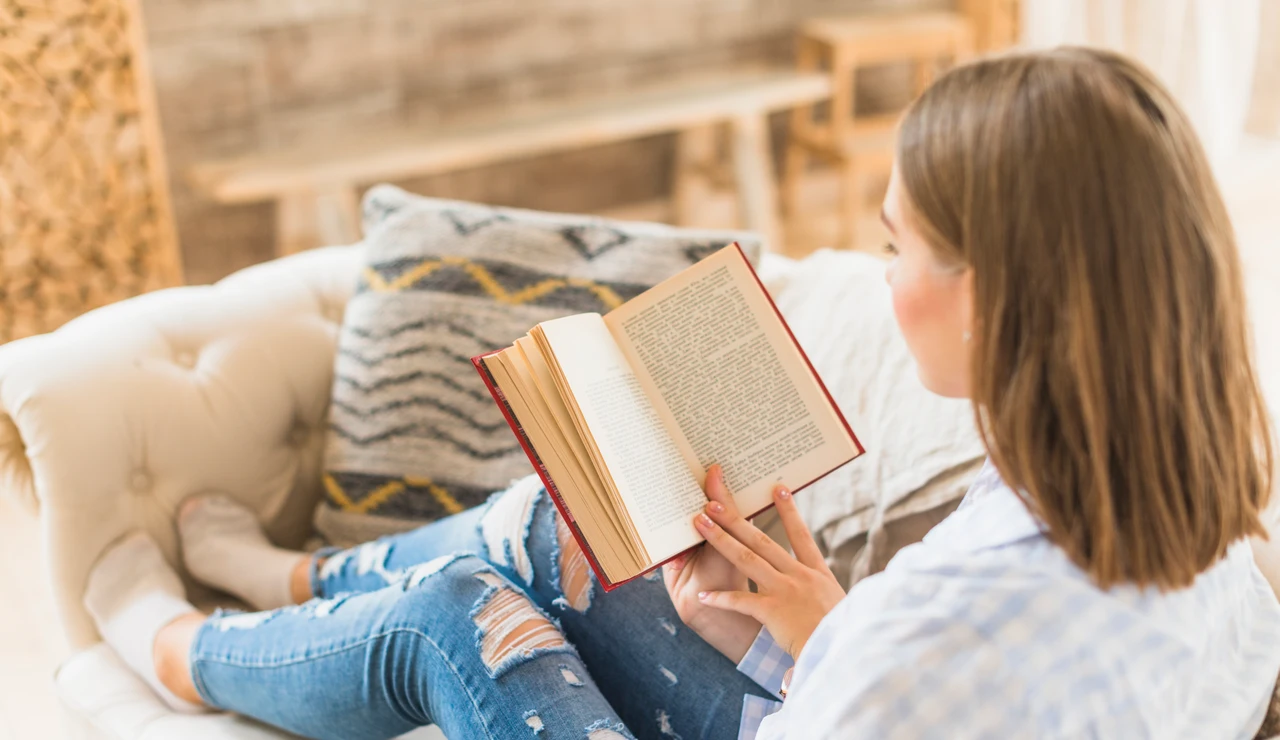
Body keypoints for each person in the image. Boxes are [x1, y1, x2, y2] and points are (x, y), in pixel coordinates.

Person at [82, 47, 1279, 739]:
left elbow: (918, 682)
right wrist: (810, 617)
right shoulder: (1212, 546)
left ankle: (186, 648)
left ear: (989, 295)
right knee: (576, 527)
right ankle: (304, 577)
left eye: (896, 244)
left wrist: (835, 645)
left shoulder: (942, 624)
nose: (878, 270)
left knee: (461, 608)